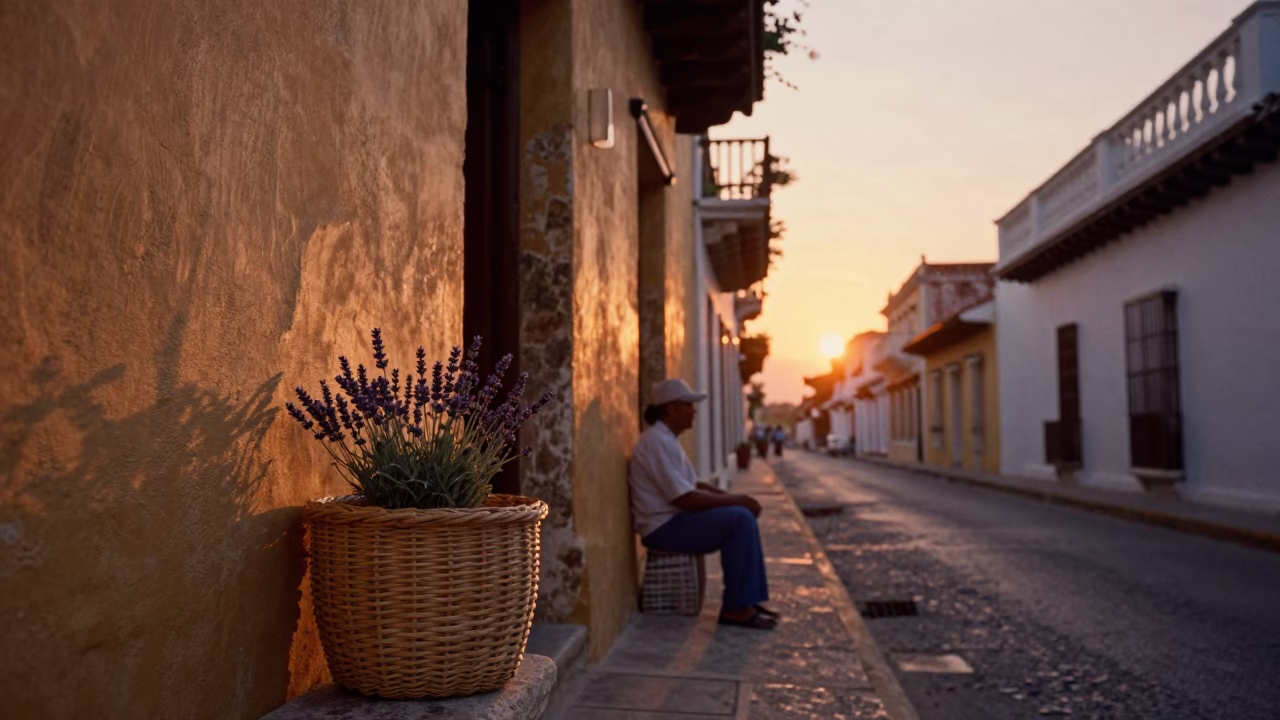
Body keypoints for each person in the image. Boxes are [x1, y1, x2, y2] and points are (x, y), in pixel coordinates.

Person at [631, 378, 779, 630]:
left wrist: (733, 500)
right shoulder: (655, 442)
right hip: (662, 528)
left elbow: (695, 485)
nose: (694, 411)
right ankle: (736, 609)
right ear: (671, 408)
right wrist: (735, 501)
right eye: (689, 405)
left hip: (674, 521)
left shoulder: (666, 440)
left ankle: (746, 600)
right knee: (739, 519)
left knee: (741, 515)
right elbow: (683, 498)